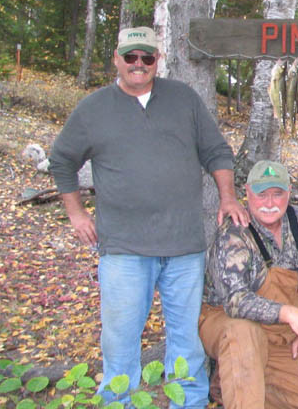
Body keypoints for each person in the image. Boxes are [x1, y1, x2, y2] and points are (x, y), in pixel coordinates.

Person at [49, 26, 248, 408]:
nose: (138, 65)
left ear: (158, 60)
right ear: (117, 59)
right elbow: (62, 161)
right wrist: (75, 214)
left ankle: (187, 403)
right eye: (131, 57)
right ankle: (118, 403)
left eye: (147, 57)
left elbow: (217, 152)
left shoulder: (184, 99)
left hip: (184, 249)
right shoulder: (93, 109)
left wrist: (228, 197)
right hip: (124, 250)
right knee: (120, 342)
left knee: (186, 343)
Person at [199, 160, 298, 409]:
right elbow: (235, 302)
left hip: (280, 333)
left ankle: (232, 381)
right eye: (262, 195)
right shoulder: (233, 234)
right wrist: (290, 313)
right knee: (243, 333)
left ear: (289, 192)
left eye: (277, 194)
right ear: (247, 194)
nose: (270, 203)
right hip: (225, 321)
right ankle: (238, 377)